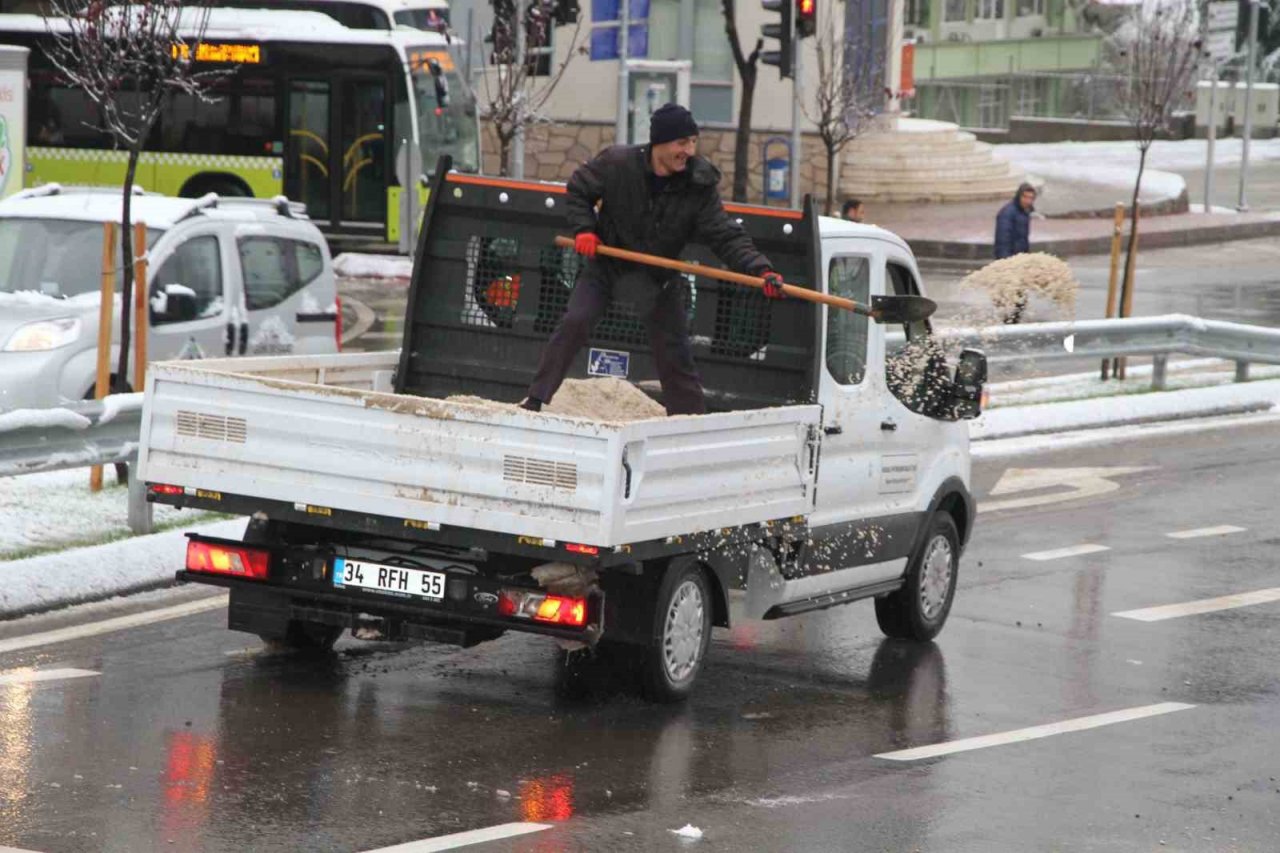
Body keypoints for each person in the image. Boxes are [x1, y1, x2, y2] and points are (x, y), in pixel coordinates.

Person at [521, 103, 785, 416]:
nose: (688, 150)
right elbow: (579, 190)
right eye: (681, 142)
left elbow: (726, 235)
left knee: (675, 350)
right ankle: (535, 400)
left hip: (658, 276)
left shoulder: (698, 186)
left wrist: (761, 269)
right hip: (608, 266)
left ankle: (688, 421)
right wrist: (585, 230)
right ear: (660, 142)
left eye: (692, 142)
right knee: (575, 321)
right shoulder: (617, 164)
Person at [993, 182, 1037, 323]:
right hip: (1010, 260)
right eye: (1026, 197)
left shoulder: (1025, 212)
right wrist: (1005, 262)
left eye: (1031, 198)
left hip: (1020, 260)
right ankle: (1007, 322)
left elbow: (1023, 238)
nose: (1028, 201)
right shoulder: (1008, 213)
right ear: (1019, 196)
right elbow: (1003, 239)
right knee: (1012, 295)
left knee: (1020, 295)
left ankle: (1012, 320)